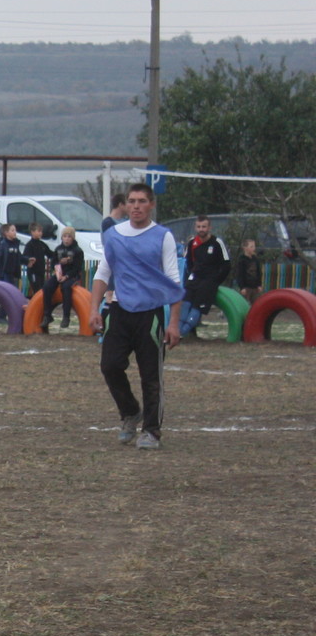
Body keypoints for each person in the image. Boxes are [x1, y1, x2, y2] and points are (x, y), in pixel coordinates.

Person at [93, 182, 183, 450]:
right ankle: (131, 412)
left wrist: (174, 323)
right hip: (119, 311)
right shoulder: (114, 235)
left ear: (151, 204)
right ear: (126, 204)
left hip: (150, 314)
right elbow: (103, 273)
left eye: (142, 201)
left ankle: (151, 431)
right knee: (110, 366)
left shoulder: (163, 236)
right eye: (132, 201)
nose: (136, 206)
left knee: (150, 376)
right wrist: (93, 309)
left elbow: (173, 280)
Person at [178, 215, 230, 340]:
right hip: (194, 279)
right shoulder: (192, 243)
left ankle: (182, 333)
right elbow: (188, 262)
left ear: (209, 228)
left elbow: (227, 264)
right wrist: (192, 273)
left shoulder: (217, 243)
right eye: (199, 227)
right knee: (185, 303)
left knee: (197, 307)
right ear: (195, 227)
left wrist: (216, 280)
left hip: (209, 281)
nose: (201, 229)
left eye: (204, 227)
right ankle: (178, 331)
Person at [0, 223, 26, 326]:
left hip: (12, 274)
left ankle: (1, 316)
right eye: (12, 230)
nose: (15, 232)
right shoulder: (1, 244)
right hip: (2, 274)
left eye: (15, 230)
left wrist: (27, 260)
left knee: (11, 295)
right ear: (6, 233)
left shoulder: (15, 244)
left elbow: (19, 257)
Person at [45, 226, 85, 332]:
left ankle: (66, 316)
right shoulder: (58, 249)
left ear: (73, 238)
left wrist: (66, 276)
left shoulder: (78, 251)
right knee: (47, 287)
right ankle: (47, 315)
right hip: (59, 274)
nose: (66, 239)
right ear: (62, 237)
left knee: (66, 288)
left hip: (72, 275)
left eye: (69, 237)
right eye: (65, 236)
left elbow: (77, 268)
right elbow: (53, 263)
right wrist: (58, 269)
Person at [22, 222, 53, 299]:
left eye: (41, 231)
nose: (40, 233)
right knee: (37, 290)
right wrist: (29, 260)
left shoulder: (42, 244)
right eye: (38, 231)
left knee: (42, 290)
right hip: (33, 272)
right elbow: (25, 257)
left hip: (41, 271)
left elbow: (50, 254)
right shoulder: (29, 245)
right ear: (32, 232)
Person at [231, 237, 262, 303]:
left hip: (255, 287)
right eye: (251, 246)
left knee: (257, 303)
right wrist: (242, 287)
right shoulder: (242, 260)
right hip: (246, 287)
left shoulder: (255, 259)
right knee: (245, 304)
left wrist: (259, 284)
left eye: (254, 246)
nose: (253, 248)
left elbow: (259, 272)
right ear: (245, 248)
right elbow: (240, 274)